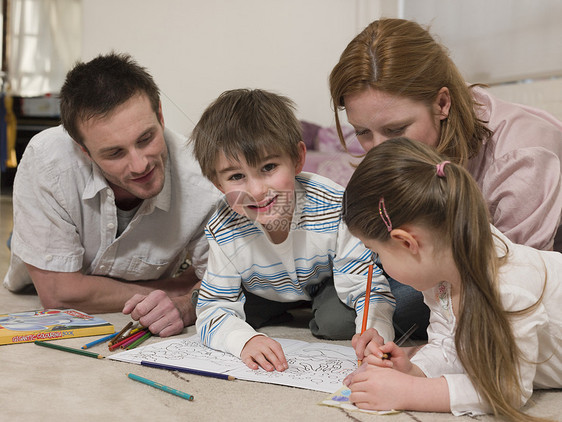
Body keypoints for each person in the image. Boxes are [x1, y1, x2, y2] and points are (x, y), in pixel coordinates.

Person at [329, 17, 562, 340]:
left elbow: (509, 283)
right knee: (353, 294)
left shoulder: (523, 156)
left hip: (517, 271)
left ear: (442, 103)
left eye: (396, 130)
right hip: (446, 255)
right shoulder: (409, 144)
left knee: (407, 301)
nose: (379, 149)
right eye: (363, 133)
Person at [341, 137, 562, 420]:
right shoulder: (444, 267)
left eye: (376, 252)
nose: (378, 264)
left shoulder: (508, 287)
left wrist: (408, 391)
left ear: (407, 243)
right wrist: (414, 369)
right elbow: (449, 345)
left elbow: (507, 387)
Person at [3, 53, 221, 337]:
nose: (140, 164)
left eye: (146, 139)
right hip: (43, 262)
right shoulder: (47, 160)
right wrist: (176, 288)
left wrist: (186, 304)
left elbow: (220, 281)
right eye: (115, 153)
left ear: (160, 114)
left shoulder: (204, 179)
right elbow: (59, 295)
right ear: (84, 150)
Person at [191, 88, 395, 372]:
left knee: (338, 322)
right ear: (218, 185)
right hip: (259, 288)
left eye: (269, 167)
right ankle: (258, 306)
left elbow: (365, 286)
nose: (257, 190)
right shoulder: (223, 226)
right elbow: (215, 309)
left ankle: (310, 307)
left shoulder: (335, 205)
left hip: (325, 280)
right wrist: (243, 341)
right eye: (236, 176)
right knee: (209, 310)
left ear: (298, 158)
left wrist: (375, 329)